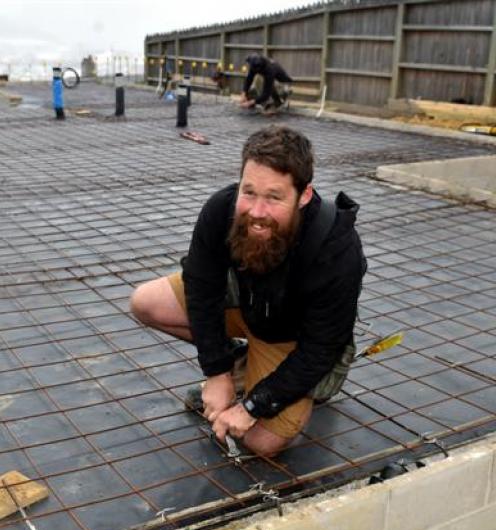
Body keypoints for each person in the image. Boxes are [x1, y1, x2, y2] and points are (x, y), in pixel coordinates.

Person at [130, 125, 366, 457]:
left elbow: (321, 348)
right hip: (246, 303)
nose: (257, 211)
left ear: (304, 196)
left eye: (274, 197)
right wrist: (216, 371)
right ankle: (237, 364)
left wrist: (252, 406)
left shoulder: (336, 248)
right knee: (145, 302)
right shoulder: (221, 209)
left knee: (261, 443)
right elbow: (201, 286)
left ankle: (257, 377)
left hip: (289, 336)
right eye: (249, 191)